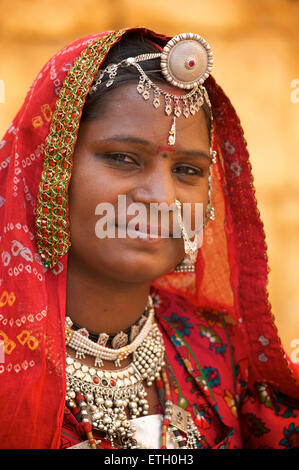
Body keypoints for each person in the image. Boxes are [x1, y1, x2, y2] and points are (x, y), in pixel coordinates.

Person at [0, 27, 298, 450]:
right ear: (51, 166)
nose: (161, 197)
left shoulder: (220, 348)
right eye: (123, 158)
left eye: (187, 171)